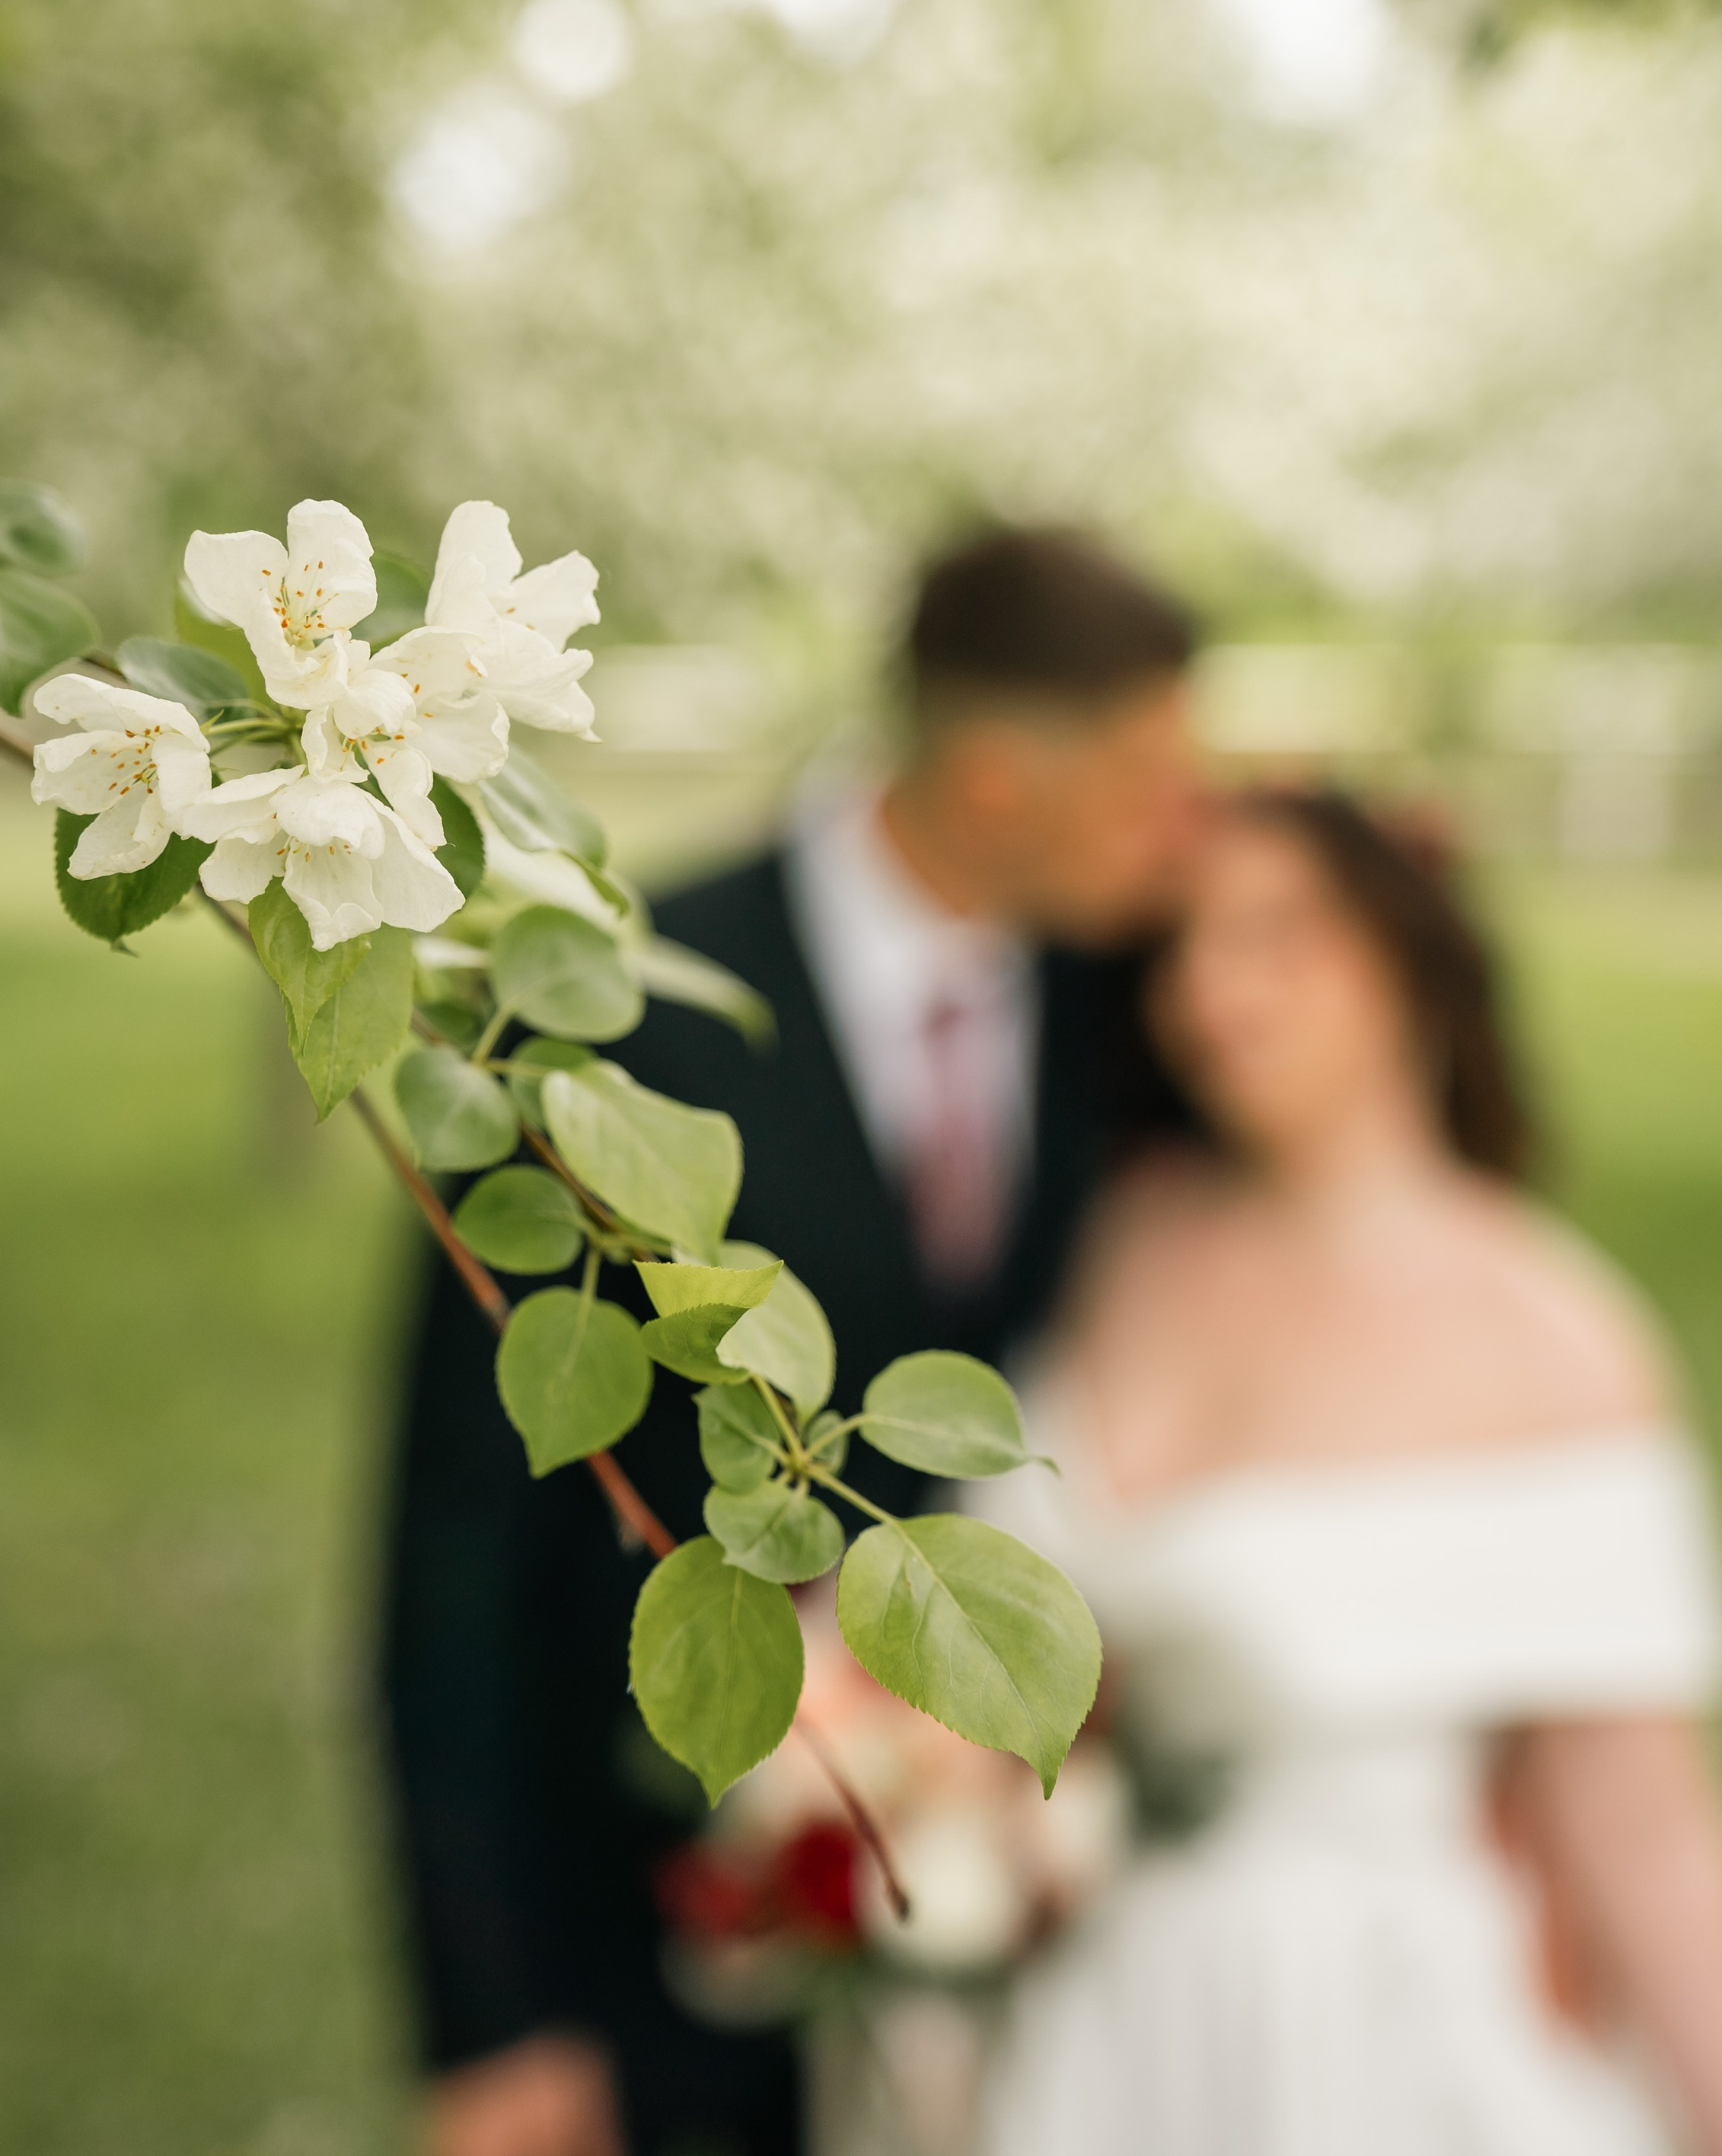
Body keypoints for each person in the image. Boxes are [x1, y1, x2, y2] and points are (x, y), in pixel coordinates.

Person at [377, 526, 1207, 2156]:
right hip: (658, 1930)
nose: (1187, 827)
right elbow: (460, 1558)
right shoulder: (601, 1018)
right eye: (1148, 781)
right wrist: (493, 2025)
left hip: (1037, 1958)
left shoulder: (1129, 999)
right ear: (995, 781)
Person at [974, 786, 1722, 2156]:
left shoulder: (1545, 1335)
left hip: (1373, 2037)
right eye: (1180, 946)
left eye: (1278, 934)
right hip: (1103, 2016)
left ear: (1411, 957)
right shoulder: (1126, 1239)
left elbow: (1648, 1825)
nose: (1210, 990)